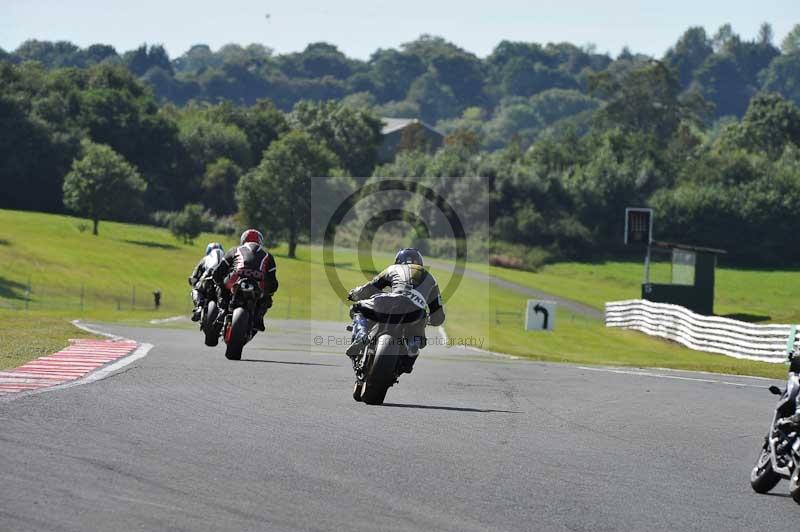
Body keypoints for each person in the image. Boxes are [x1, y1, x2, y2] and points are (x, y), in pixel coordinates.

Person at [346, 248, 445, 374]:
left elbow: (369, 289)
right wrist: (429, 320)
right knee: (417, 339)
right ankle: (411, 349)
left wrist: (354, 294)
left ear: (398, 260)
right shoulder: (431, 279)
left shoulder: (393, 269)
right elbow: (438, 317)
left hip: (389, 302)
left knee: (357, 309)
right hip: (416, 312)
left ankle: (361, 335)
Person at [212, 229, 278, 332]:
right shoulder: (268, 255)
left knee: (221, 287)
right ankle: (259, 318)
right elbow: (273, 282)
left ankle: (222, 311)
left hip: (235, 279)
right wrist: (269, 292)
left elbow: (217, 272)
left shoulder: (234, 250)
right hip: (258, 283)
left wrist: (219, 283)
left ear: (243, 240)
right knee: (267, 296)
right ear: (260, 241)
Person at [188, 242, 225, 321]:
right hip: (222, 283)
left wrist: (193, 282)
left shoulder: (205, 259)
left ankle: (199, 307)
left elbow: (194, 276)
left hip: (207, 280)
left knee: (195, 290)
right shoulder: (226, 259)